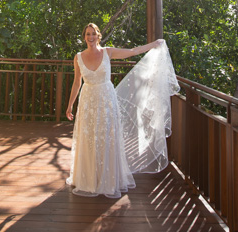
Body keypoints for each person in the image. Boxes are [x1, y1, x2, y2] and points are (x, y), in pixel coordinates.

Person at [65, 23, 164, 197]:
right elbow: (76, 82)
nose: (90, 37)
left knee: (107, 138)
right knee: (88, 138)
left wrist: (153, 44)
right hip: (88, 101)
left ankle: (108, 180)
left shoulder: (107, 52)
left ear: (98, 36)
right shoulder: (78, 57)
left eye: (93, 34)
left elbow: (133, 51)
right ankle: (89, 179)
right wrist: (70, 104)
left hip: (106, 100)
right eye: (87, 34)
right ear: (84, 37)